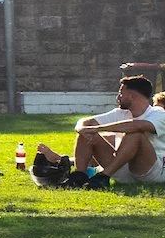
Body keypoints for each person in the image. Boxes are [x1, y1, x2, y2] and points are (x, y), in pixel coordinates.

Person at [36, 76, 164, 186]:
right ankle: (79, 176)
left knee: (136, 134)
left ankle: (103, 176)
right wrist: (81, 129)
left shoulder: (158, 113)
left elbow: (137, 126)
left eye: (121, 94)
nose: (117, 97)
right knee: (87, 132)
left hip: (150, 172)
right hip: (122, 169)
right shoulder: (120, 113)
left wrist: (97, 128)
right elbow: (86, 122)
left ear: (132, 96)